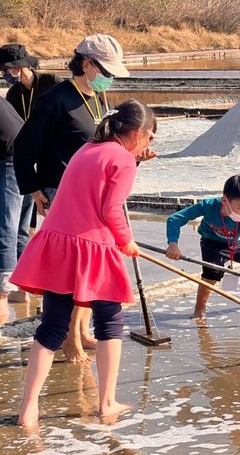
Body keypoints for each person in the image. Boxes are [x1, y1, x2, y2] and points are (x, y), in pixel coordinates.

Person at [11, 99, 157, 426]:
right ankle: (107, 404)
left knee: (51, 326)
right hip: (92, 246)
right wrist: (126, 241)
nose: (149, 144)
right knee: (109, 322)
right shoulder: (123, 160)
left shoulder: (88, 148)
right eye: (150, 137)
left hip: (58, 242)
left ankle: (28, 409)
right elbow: (111, 209)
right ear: (136, 133)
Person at [13, 34, 130, 363]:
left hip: (95, 195)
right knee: (70, 271)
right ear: (88, 64)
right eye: (105, 70)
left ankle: (80, 330)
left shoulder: (98, 98)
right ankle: (65, 336)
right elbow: (24, 146)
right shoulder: (56, 99)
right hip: (60, 193)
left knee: (90, 267)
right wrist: (34, 188)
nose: (110, 78)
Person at [165, 175, 240, 318]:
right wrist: (173, 244)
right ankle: (199, 308)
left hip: (236, 242)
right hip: (212, 242)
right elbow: (175, 219)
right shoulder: (208, 206)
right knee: (212, 274)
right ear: (225, 200)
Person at [0, 43, 63, 303]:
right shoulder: (14, 94)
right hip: (27, 154)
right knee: (23, 223)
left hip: (52, 155)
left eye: (8, 69)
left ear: (22, 66)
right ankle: (23, 289)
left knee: (22, 222)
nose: (6, 74)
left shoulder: (51, 83)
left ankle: (46, 283)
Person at [0, 98, 24, 319]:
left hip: (10, 162)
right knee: (18, 229)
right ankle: (24, 291)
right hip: (24, 158)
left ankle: (1, 305)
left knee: (5, 228)